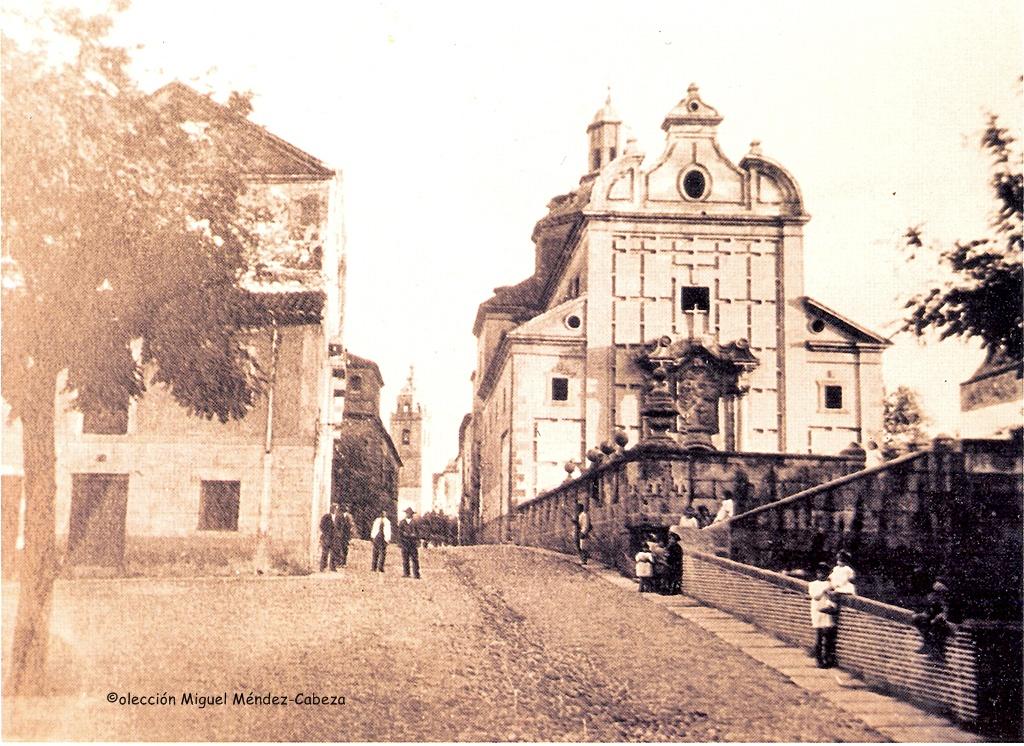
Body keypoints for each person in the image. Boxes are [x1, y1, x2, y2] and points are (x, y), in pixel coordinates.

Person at [912, 580, 956, 651]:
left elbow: (945, 613)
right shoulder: (932, 601)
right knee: (918, 619)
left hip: (946, 625)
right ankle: (927, 642)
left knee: (939, 622)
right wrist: (921, 616)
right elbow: (927, 612)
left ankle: (940, 645)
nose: (935, 595)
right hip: (932, 621)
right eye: (935, 593)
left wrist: (939, 618)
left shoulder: (945, 601)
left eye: (938, 593)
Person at [808, 562, 838, 668]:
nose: (822, 574)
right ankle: (819, 659)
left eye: (824, 572)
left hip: (827, 612)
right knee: (819, 636)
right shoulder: (812, 584)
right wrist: (823, 591)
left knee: (828, 636)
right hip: (817, 611)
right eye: (820, 572)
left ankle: (827, 658)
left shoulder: (830, 584)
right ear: (817, 573)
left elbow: (833, 597)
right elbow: (815, 596)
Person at [398, 507, 421, 579]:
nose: (408, 514)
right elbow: (399, 532)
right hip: (405, 542)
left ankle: (416, 574)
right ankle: (406, 573)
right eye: (407, 513)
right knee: (405, 558)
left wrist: (415, 536)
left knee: (414, 559)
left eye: (409, 513)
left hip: (413, 543)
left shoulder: (415, 522)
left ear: (412, 514)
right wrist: (402, 537)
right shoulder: (402, 522)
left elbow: (419, 532)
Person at [370, 508, 392, 573]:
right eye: (382, 513)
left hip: (383, 538)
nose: (383, 514)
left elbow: (388, 531)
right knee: (375, 552)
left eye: (384, 513)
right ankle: (374, 567)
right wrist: (373, 536)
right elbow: (374, 529)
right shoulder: (377, 520)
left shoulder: (387, 522)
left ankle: (380, 567)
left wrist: (387, 539)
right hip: (377, 537)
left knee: (382, 553)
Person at [333, 504, 355, 568]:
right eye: (345, 507)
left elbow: (351, 526)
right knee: (339, 548)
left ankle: (344, 562)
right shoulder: (339, 516)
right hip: (340, 535)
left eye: (347, 508)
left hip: (346, 535)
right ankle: (338, 562)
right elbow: (336, 525)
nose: (347, 509)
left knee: (345, 549)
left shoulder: (349, 516)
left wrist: (351, 534)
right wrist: (337, 533)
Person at [319, 503, 338, 572]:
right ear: (331, 509)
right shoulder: (326, 516)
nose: (335, 510)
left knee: (334, 553)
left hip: (334, 538)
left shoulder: (338, 517)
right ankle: (322, 567)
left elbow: (340, 527)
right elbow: (321, 525)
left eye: (336, 509)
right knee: (325, 552)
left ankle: (333, 567)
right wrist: (325, 532)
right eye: (334, 508)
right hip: (327, 537)